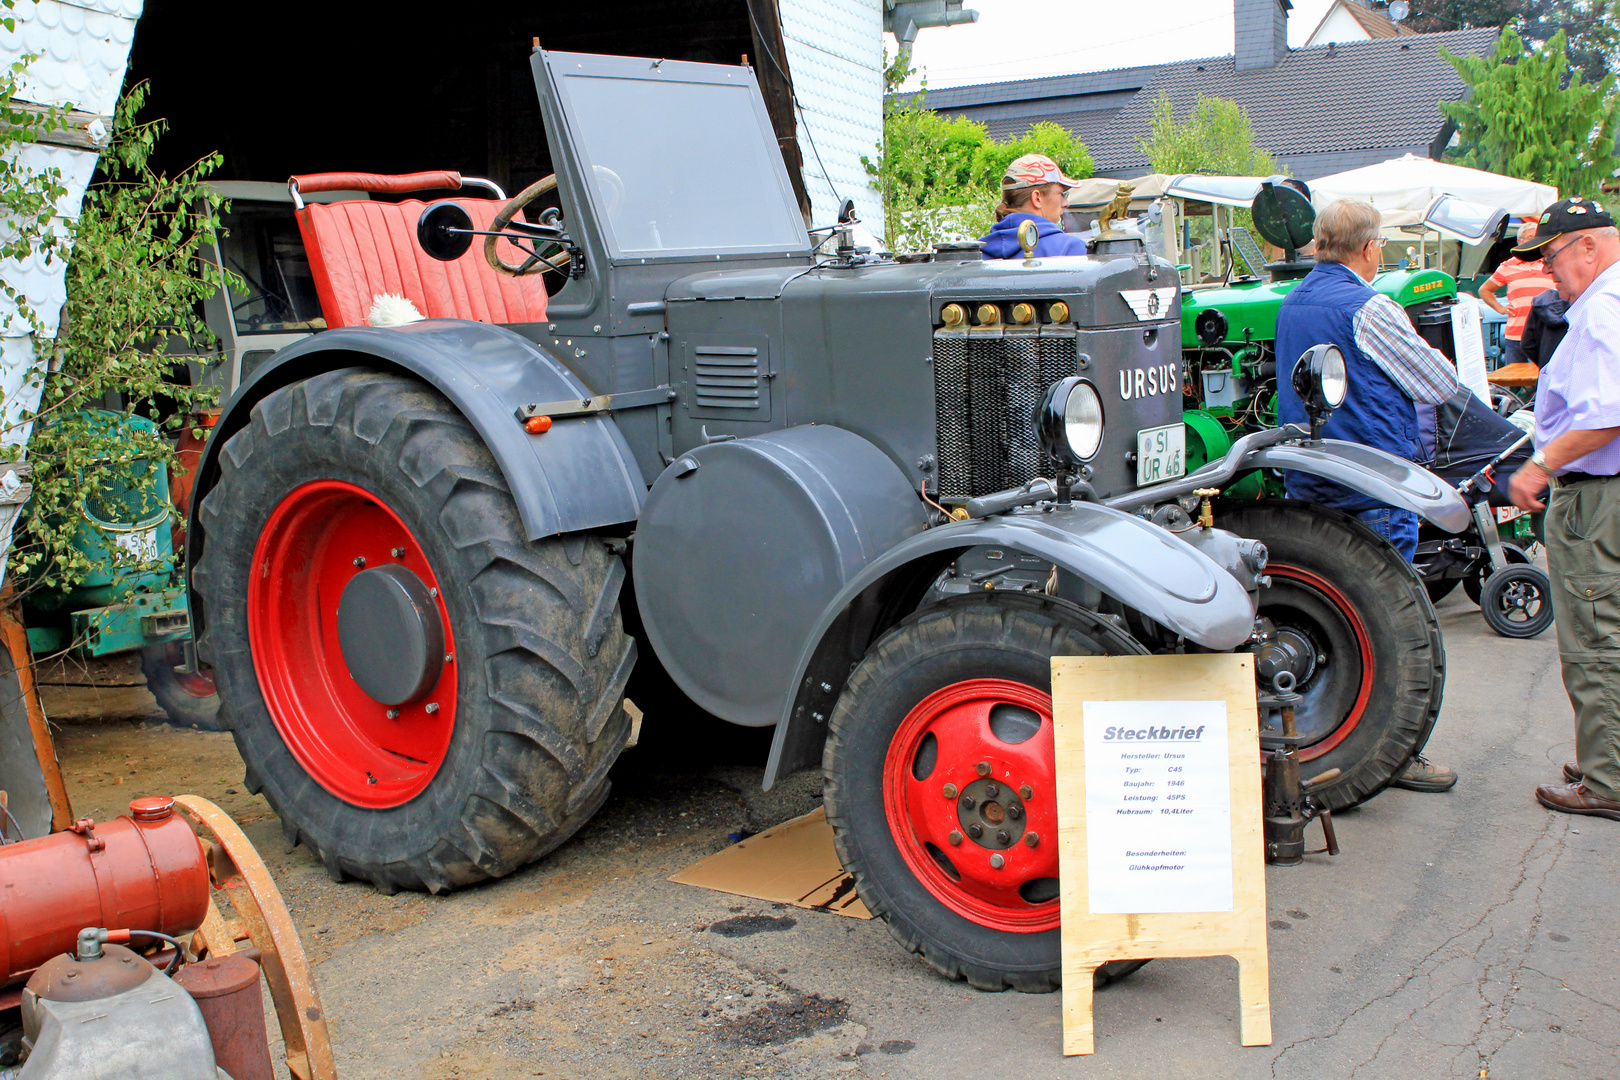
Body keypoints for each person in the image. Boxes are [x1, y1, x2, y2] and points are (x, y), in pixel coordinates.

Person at [1276, 197, 1464, 793]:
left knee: (1336, 617)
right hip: (1371, 480)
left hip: (1311, 477)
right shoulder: (1371, 306)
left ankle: (1336, 742)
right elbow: (1439, 382)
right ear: (1369, 247)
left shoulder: (1292, 303)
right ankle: (1398, 753)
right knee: (1391, 629)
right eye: (1381, 244)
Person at [1505, 197, 1620, 821]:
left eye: (1550, 256)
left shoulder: (1602, 311)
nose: (1547, 271)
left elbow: (1605, 416)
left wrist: (1540, 465)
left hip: (1599, 493)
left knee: (1595, 636)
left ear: (1589, 246)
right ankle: (1610, 755)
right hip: (1607, 490)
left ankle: (1608, 778)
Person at [979, 154, 1089, 259]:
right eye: (1062, 194)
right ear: (1037, 198)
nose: (1066, 203)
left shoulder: (977, 253)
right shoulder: (1070, 249)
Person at [1479, 221, 1556, 366]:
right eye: (1530, 237)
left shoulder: (1551, 263)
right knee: (1514, 378)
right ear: (1520, 241)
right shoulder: (1508, 266)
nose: (1535, 241)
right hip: (1516, 334)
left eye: (1537, 237)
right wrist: (1500, 308)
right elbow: (1484, 290)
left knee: (1545, 375)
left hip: (1546, 332)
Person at [1520, 287, 1569, 368]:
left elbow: (1527, 345)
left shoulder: (1541, 303)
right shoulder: (1585, 302)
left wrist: (1544, 363)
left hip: (1548, 371)